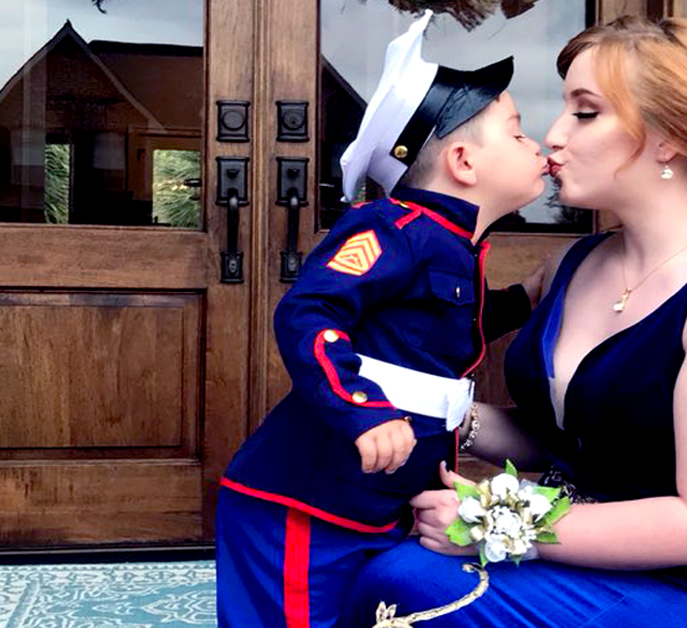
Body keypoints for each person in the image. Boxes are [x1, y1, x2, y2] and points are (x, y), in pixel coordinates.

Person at [342, 15, 687, 628]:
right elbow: (572, 440)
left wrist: (493, 522)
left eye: (584, 112)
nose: (553, 135)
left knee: (415, 590)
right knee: (389, 562)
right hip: (588, 558)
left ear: (668, 137)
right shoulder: (573, 265)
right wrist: (434, 409)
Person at [215, 11, 548, 627]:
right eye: (519, 133)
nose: (539, 146)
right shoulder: (392, 229)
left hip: (375, 497)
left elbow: (437, 331)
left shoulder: (453, 244)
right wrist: (361, 408)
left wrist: (525, 300)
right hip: (306, 505)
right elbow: (309, 311)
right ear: (463, 162)